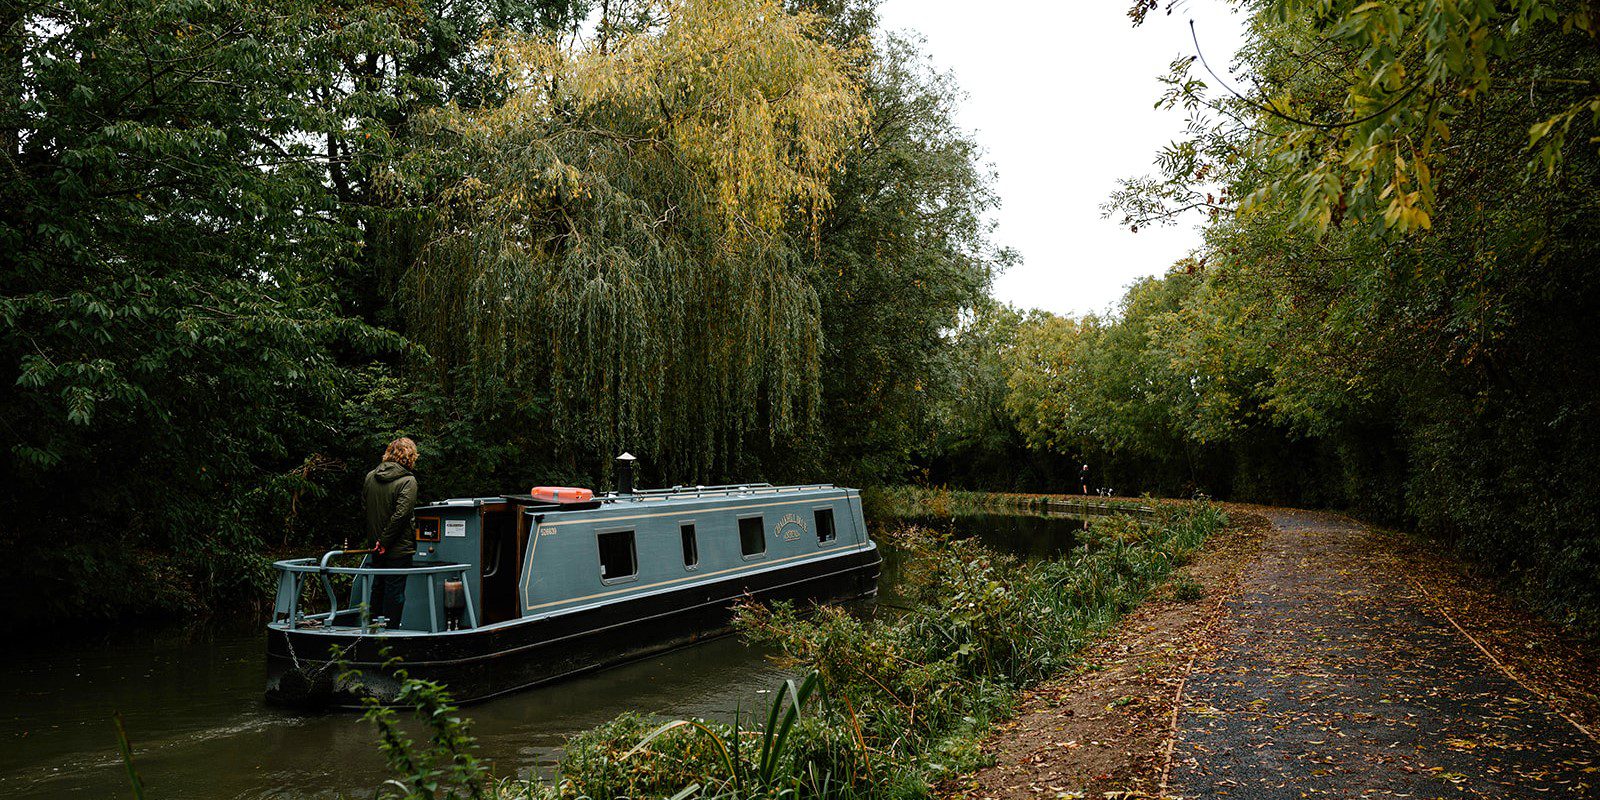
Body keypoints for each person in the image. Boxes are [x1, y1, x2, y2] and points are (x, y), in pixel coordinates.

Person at [364, 437, 419, 629]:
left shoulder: (371, 476)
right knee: (395, 592)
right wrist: (385, 542)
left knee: (377, 587)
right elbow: (401, 515)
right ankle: (390, 634)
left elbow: (368, 508)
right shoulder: (408, 481)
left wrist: (377, 542)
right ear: (410, 456)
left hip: (375, 546)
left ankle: (372, 630)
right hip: (397, 547)